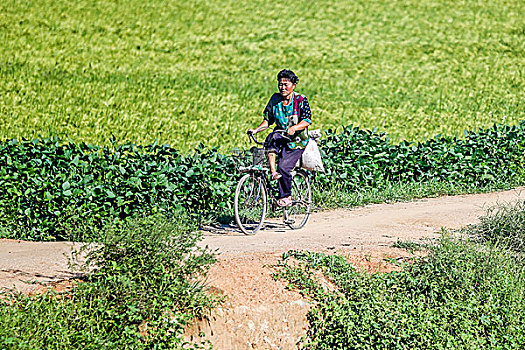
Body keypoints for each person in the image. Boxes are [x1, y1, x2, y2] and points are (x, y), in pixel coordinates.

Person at [247, 69, 312, 207]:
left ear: (293, 85)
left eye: (286, 84)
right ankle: (273, 172)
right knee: (270, 139)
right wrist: (256, 129)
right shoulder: (275, 99)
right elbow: (268, 120)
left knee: (284, 166)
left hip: (297, 141)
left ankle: (286, 196)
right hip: (281, 135)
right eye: (280, 84)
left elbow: (307, 120)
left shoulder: (301, 100)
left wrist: (294, 128)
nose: (282, 87)